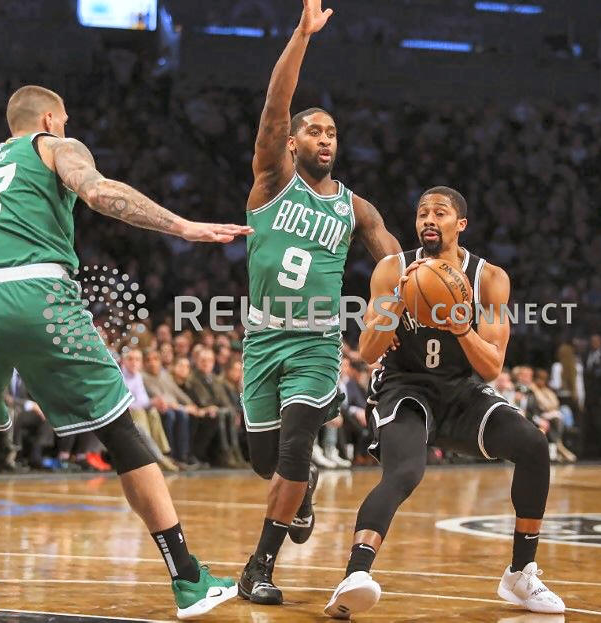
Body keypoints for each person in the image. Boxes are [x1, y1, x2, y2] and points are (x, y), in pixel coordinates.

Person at [0, 85, 250, 620]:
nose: (67, 125)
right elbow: (99, 192)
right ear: (49, 118)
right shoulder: (55, 145)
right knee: (120, 430)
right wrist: (182, 227)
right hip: (37, 292)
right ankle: (187, 579)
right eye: (65, 118)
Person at [325, 186, 565, 617]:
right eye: (422, 213)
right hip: (404, 389)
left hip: (460, 393)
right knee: (405, 471)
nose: (429, 220)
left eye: (440, 213)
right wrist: (396, 305)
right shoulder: (392, 269)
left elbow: (491, 367)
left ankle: (520, 574)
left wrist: (461, 327)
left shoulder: (489, 278)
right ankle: (354, 576)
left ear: (461, 224)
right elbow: (368, 351)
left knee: (532, 445)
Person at [238, 0, 400, 606]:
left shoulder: (355, 207)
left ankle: (258, 567)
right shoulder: (272, 181)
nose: (325, 139)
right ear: (292, 141)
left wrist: (405, 296)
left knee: (295, 447)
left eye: (332, 133)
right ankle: (300, 494)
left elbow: (393, 261)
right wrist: (302, 35)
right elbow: (274, 105)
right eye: (315, 131)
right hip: (262, 339)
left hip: (315, 342)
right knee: (266, 460)